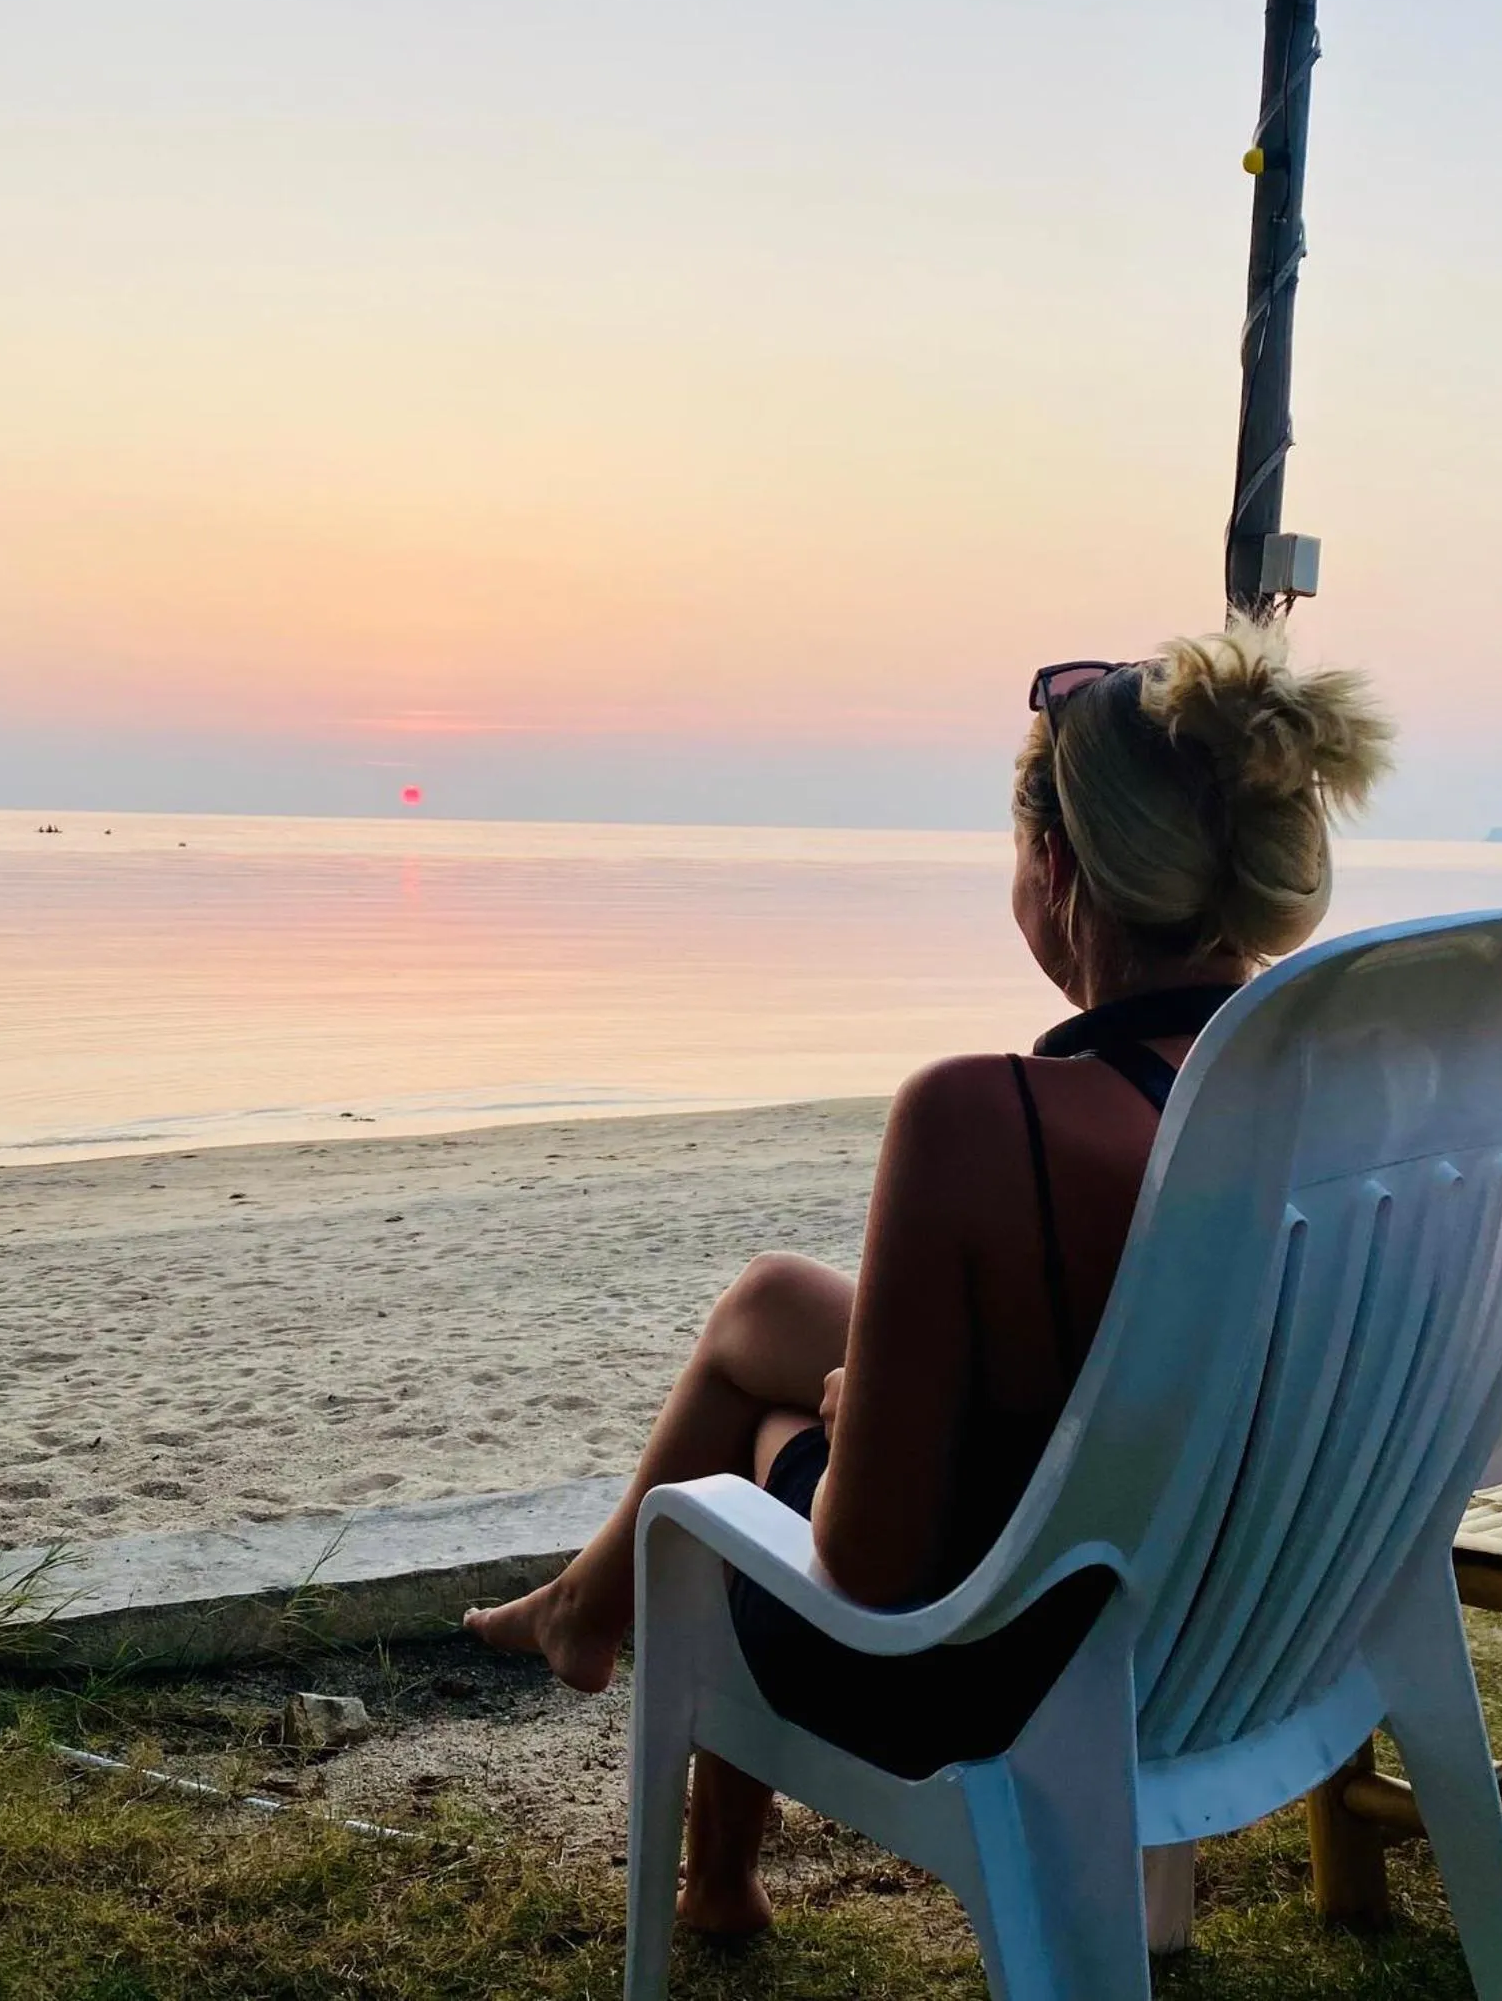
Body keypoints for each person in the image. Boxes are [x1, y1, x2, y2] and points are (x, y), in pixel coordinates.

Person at [466, 619, 1392, 1936]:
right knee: (774, 1302)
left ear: (1053, 867)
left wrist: (852, 1423)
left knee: (751, 1448)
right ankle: (588, 1617)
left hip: (1013, 1665)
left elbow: (874, 1569)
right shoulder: (1338, 1098)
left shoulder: (986, 1121)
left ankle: (703, 1851)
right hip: (1271, 1629)